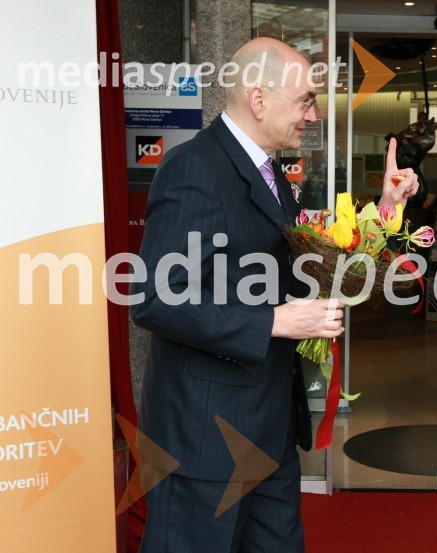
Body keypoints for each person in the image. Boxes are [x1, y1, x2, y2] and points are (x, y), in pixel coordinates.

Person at [131, 37, 418, 553]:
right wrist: (272, 322)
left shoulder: (270, 173)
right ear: (259, 99)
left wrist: (385, 209)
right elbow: (155, 297)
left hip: (271, 427)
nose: (313, 115)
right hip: (206, 435)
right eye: (306, 100)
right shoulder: (194, 167)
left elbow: (302, 268)